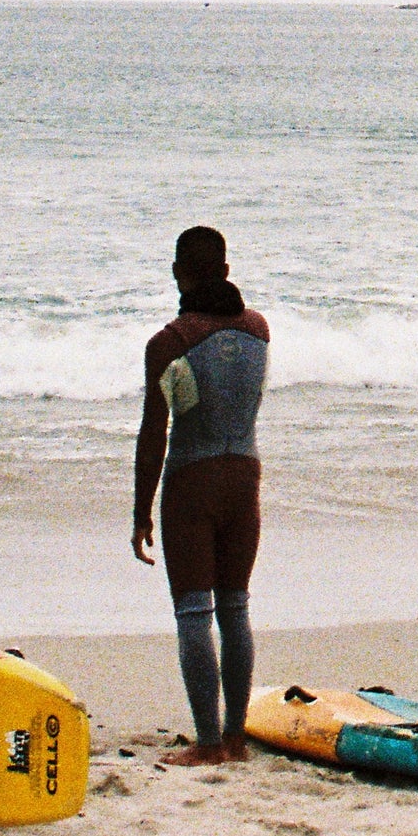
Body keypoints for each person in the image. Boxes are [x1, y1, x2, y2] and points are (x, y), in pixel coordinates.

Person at [131, 224, 269, 767]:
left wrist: (141, 510)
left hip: (192, 480)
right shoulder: (259, 330)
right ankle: (235, 738)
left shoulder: (169, 342)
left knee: (194, 610)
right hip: (246, 474)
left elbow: (154, 432)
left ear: (176, 273)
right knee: (235, 607)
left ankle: (208, 743)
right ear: (227, 271)